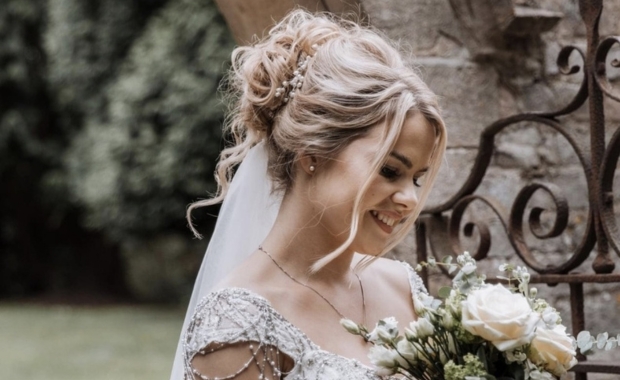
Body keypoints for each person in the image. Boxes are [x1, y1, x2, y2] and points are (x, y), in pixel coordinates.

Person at [171, 9, 447, 380]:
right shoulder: (236, 326)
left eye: (416, 179)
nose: (409, 200)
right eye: (390, 170)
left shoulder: (402, 286)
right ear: (313, 155)